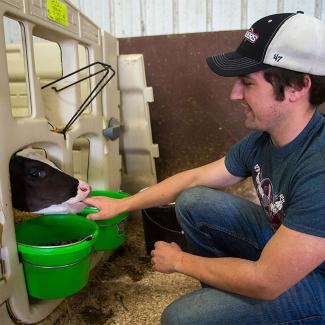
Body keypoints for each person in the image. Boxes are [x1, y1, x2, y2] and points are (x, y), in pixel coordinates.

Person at [83, 12, 325, 324]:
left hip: (317, 280)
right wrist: (122, 205)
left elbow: (267, 282)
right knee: (195, 199)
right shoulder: (263, 141)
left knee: (183, 318)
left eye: (247, 83)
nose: (234, 94)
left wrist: (180, 261)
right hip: (290, 251)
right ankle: (227, 298)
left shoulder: (319, 167)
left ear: (296, 87)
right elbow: (195, 177)